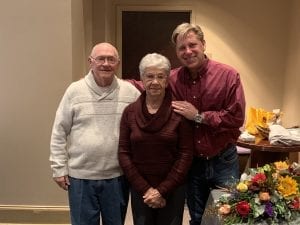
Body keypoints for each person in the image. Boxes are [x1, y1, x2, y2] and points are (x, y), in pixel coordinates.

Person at [128, 23, 246, 225]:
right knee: (198, 217)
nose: (188, 51)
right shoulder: (172, 78)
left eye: (192, 45)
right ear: (176, 52)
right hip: (193, 164)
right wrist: (107, 79)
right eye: (182, 48)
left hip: (223, 160)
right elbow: (142, 84)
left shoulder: (228, 75)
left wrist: (199, 116)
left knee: (227, 218)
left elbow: (236, 118)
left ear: (203, 45)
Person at [49, 42, 140, 225]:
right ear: (91, 61)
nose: (106, 63)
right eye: (100, 58)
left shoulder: (130, 93)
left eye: (111, 59)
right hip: (81, 177)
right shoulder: (74, 91)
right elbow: (59, 131)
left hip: (117, 177)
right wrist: (58, 167)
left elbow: (141, 130)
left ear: (118, 63)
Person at [118, 53, 193, 225]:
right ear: (142, 79)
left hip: (173, 188)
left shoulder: (179, 112)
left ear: (167, 80)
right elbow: (123, 153)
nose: (155, 82)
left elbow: (186, 154)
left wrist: (161, 190)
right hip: (141, 189)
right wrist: (146, 189)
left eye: (161, 76)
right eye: (149, 76)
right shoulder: (129, 112)